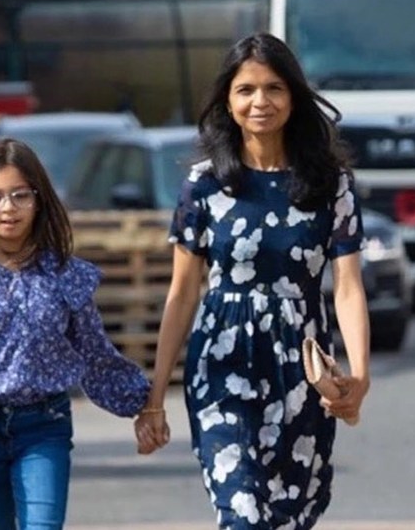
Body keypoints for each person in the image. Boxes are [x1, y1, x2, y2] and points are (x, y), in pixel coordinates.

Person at [133, 32, 370, 529]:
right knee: (241, 512)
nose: (259, 101)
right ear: (228, 100)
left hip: (301, 367)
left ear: (293, 98)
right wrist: (156, 396)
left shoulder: (331, 184)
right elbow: (181, 293)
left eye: (274, 88)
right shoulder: (203, 184)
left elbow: (347, 285)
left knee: (288, 515)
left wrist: (359, 375)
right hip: (221, 360)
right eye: (245, 90)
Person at [0, 138, 151, 529]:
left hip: (43, 427)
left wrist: (145, 406)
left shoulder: (66, 276)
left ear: (38, 200)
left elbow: (95, 353)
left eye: (20, 195)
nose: (9, 208)